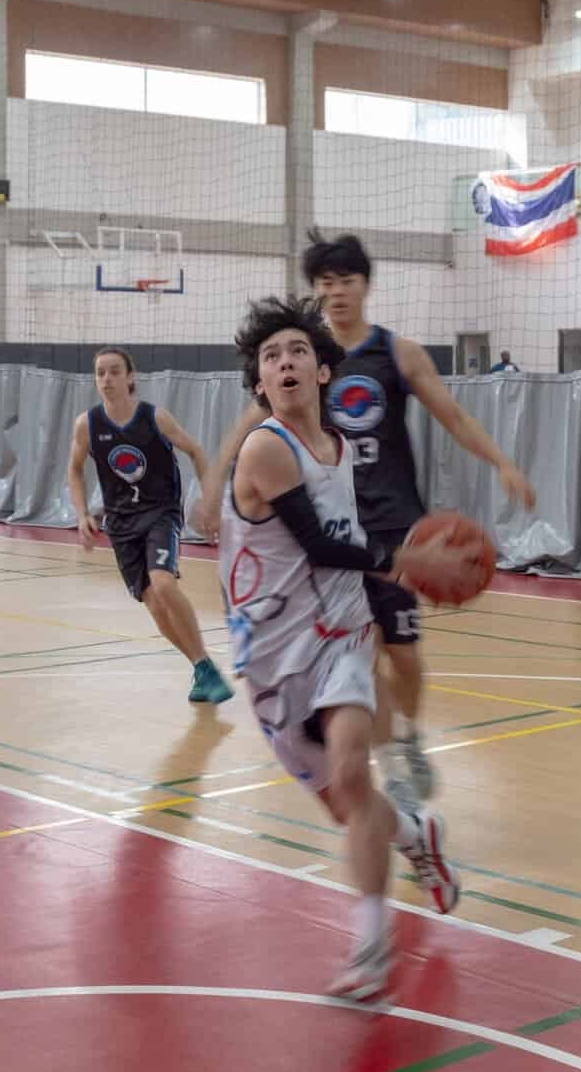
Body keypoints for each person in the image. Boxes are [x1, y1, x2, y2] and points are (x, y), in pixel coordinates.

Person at [194, 232, 537, 804]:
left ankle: (404, 736)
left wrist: (501, 462)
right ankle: (384, 768)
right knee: (357, 654)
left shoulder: (395, 354)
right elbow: (244, 429)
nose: (336, 293)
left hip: (396, 524)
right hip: (330, 531)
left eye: (346, 281)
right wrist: (212, 487)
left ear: (365, 286)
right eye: (325, 283)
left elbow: (451, 414)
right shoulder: (294, 360)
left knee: (403, 653)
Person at [220, 295, 462, 1001]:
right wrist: (412, 564)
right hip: (271, 660)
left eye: (297, 351)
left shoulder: (337, 446)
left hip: (342, 639)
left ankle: (368, 951)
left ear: (324, 371)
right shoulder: (266, 446)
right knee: (347, 809)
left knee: (354, 775)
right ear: (260, 385)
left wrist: (401, 564)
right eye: (271, 358)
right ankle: (417, 837)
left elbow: (342, 554)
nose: (285, 362)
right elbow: (323, 543)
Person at [67, 348, 233, 705]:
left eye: (114, 371)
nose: (107, 379)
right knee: (153, 604)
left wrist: (210, 501)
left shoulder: (155, 418)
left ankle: (206, 668)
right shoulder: (88, 424)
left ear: (130, 377)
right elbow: (74, 469)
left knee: (163, 582)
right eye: (100, 373)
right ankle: (201, 666)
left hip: (160, 513)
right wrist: (82, 514)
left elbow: (198, 452)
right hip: (121, 524)